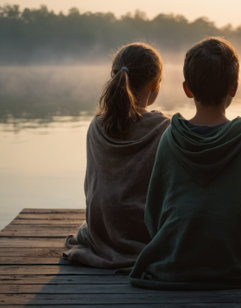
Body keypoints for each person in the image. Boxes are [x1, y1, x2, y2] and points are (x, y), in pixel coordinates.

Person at [129, 37, 241, 290]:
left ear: (187, 89)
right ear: (234, 88)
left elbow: (154, 215)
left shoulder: (170, 138)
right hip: (240, 263)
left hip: (177, 262)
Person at [64, 42, 170, 268]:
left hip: (103, 230)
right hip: (145, 235)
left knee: (84, 231)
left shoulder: (96, 125)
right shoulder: (165, 129)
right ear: (154, 84)